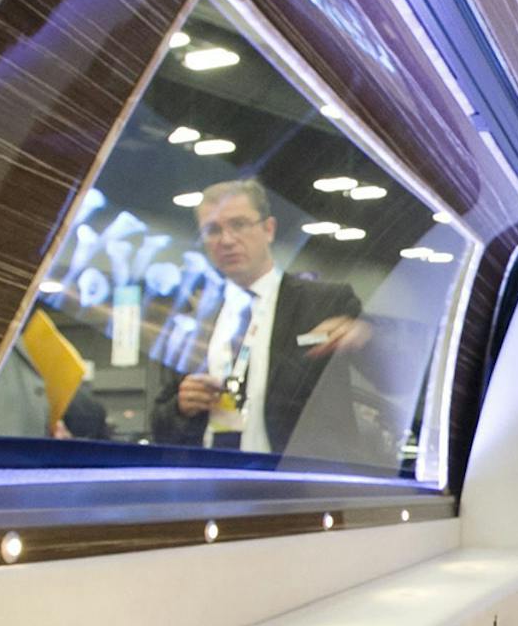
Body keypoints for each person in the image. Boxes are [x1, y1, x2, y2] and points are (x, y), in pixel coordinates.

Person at [149, 178, 369, 456]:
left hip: (296, 488)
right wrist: (181, 407)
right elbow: (160, 424)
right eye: (212, 230)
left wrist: (366, 339)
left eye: (239, 225)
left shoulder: (323, 303)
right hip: (214, 482)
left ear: (268, 229)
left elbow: (393, 374)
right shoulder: (194, 321)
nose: (226, 240)